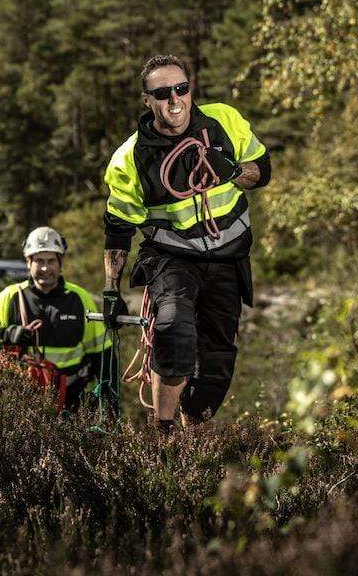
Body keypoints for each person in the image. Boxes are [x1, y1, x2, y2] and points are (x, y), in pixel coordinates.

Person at [102, 54, 271, 435]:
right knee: (173, 327)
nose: (175, 100)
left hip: (228, 256)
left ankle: (191, 432)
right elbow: (118, 229)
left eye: (181, 89)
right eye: (162, 93)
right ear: (147, 100)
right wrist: (111, 290)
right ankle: (163, 432)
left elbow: (263, 172)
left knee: (218, 360)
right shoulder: (131, 157)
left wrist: (233, 171)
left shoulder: (223, 120)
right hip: (171, 256)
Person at [0, 226, 116, 411]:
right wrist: (8, 334)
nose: (45, 268)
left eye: (51, 261)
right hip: (20, 402)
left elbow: (103, 355)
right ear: (28, 262)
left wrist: (111, 402)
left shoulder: (80, 299)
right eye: (39, 261)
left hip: (73, 402)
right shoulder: (9, 297)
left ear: (60, 263)